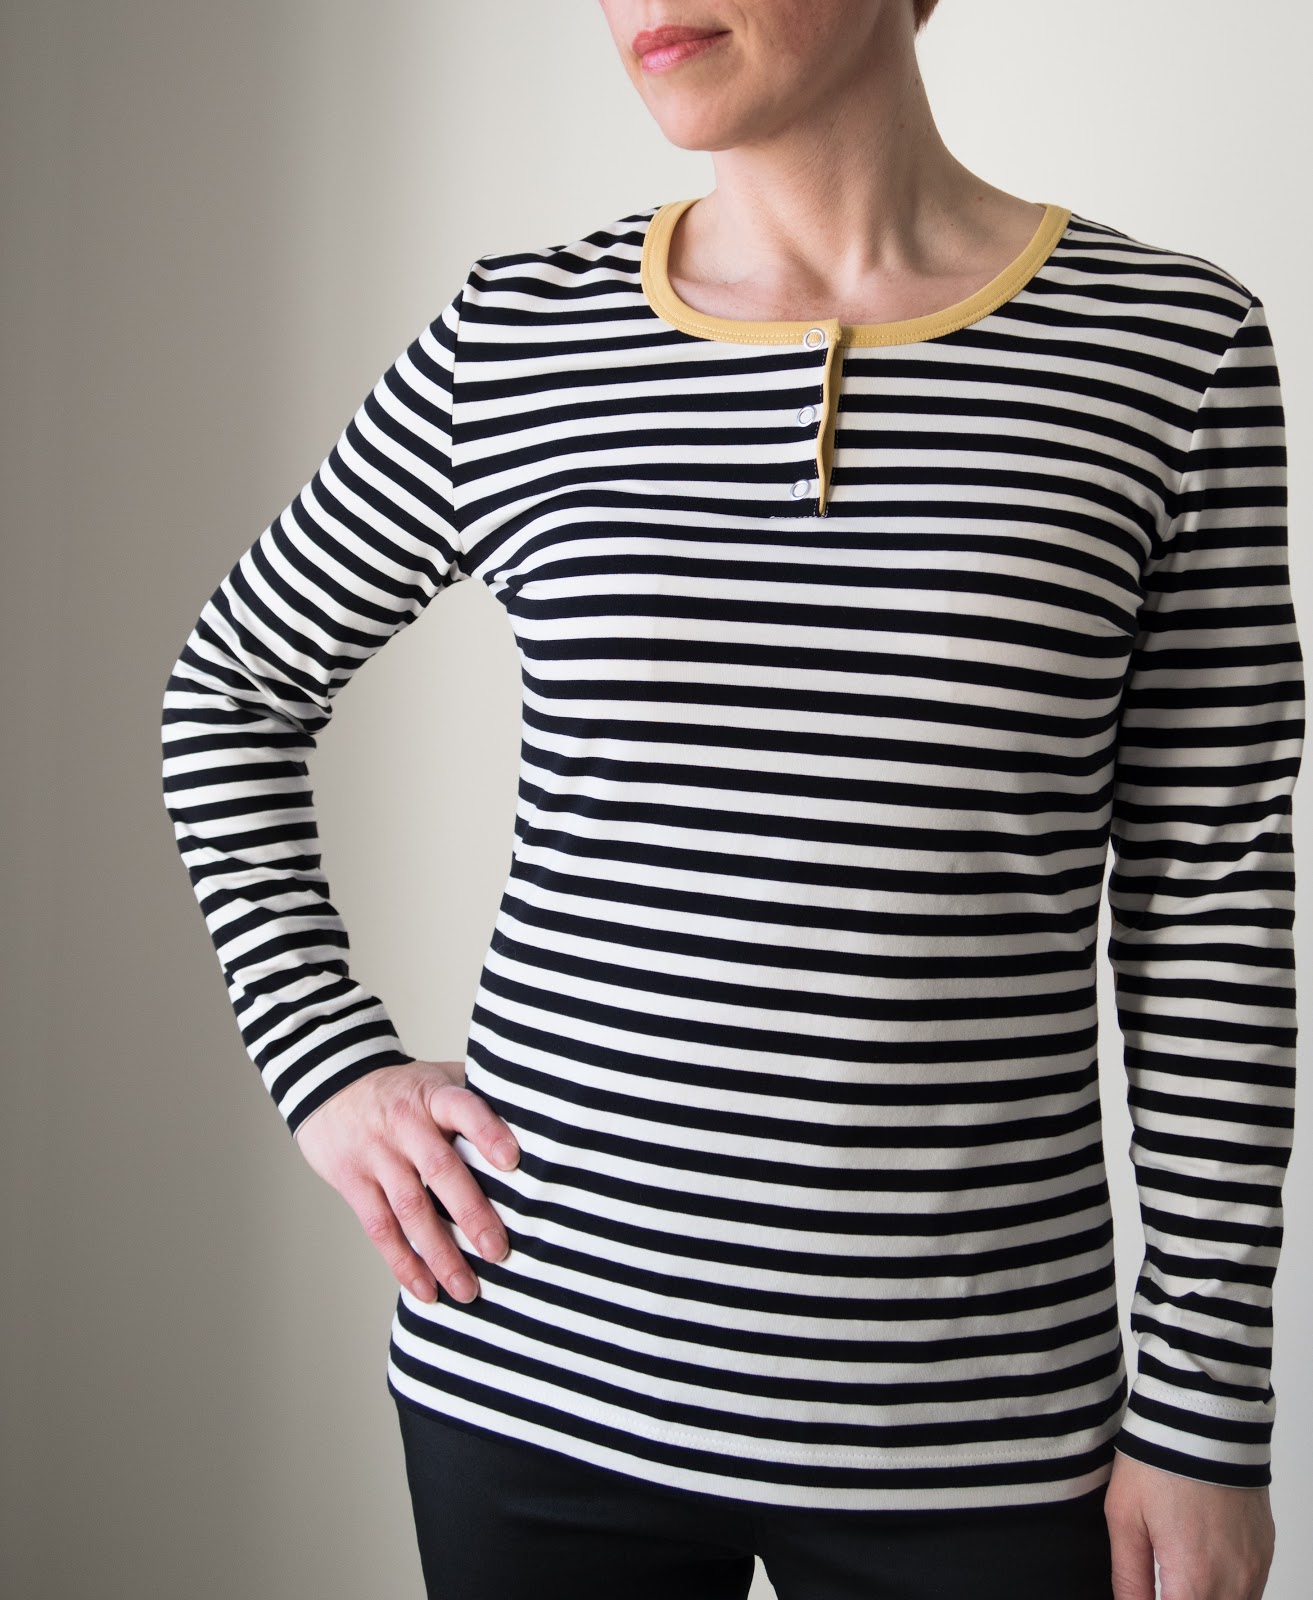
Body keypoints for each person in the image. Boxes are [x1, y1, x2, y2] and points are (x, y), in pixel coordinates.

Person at [159, 2, 1301, 1596]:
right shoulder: (516, 339)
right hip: (531, 1385)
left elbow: (1210, 895)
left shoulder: (1168, 350)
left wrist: (1201, 1410)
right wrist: (326, 1063)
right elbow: (229, 689)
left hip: (975, 1435)